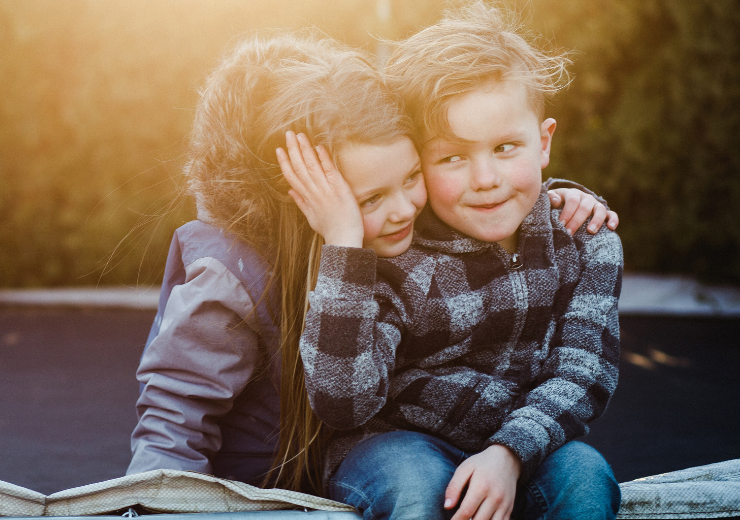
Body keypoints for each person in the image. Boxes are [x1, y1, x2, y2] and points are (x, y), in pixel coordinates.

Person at [126, 31, 615, 495]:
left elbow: (488, 167)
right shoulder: (242, 273)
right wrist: (165, 504)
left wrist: (553, 200)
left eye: (410, 179)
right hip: (258, 493)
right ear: (309, 198)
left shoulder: (398, 233)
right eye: (371, 198)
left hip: (345, 474)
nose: (404, 210)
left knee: (581, 474)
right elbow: (175, 412)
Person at [286, 4, 622, 519]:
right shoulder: (395, 250)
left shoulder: (587, 239)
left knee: (586, 475)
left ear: (544, 142)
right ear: (418, 161)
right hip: (395, 446)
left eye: (506, 147)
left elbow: (583, 372)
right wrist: (345, 248)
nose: (485, 178)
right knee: (418, 488)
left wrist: (508, 454)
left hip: (527, 439)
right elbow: (343, 403)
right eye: (453, 157)